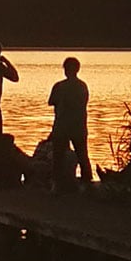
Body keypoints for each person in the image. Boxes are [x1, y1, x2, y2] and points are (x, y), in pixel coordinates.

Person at [47, 55, 93, 187]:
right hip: (79, 125)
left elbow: (51, 102)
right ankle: (87, 182)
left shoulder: (59, 86)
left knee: (58, 156)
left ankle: (57, 184)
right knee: (82, 154)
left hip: (62, 125)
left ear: (65, 69)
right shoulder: (82, 86)